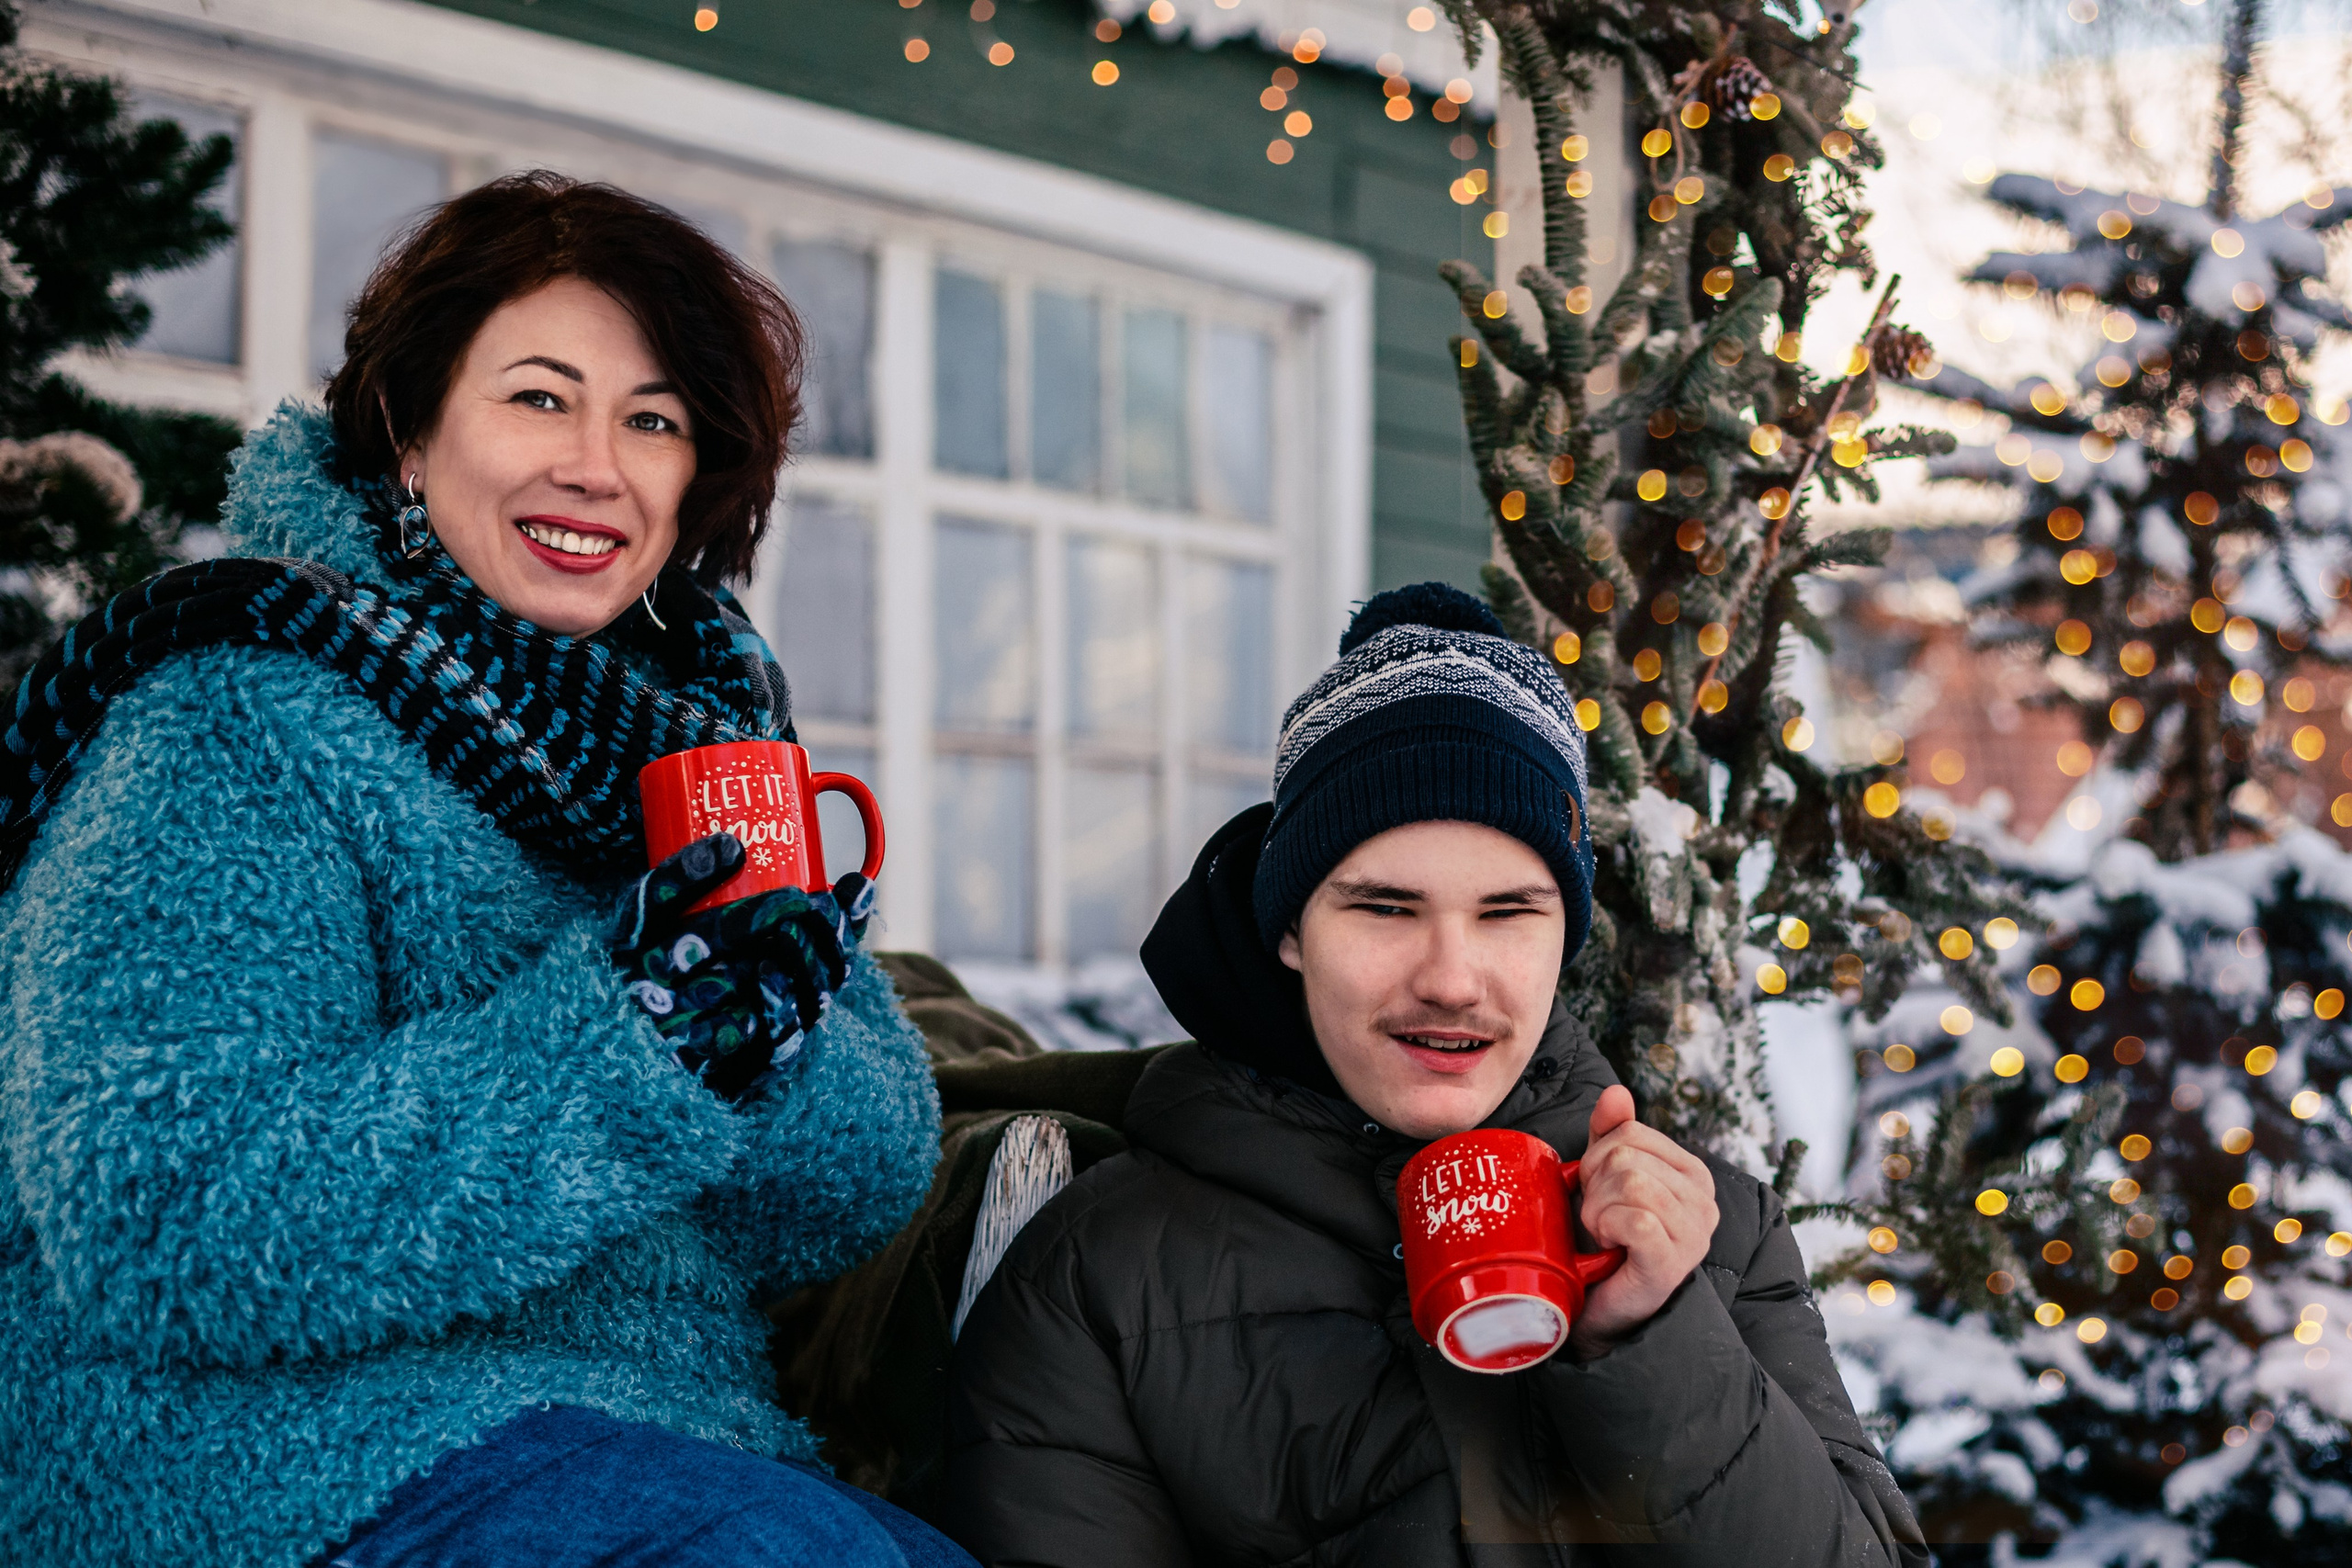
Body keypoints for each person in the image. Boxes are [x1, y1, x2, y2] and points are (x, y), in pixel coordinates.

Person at [0, 174, 970, 1568]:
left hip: (636, 1423)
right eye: (539, 396)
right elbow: (163, 1214)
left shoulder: (698, 741)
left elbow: (840, 1198)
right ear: (407, 425)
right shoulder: (235, 716)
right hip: (258, 1449)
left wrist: (766, 1023)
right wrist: (626, 1045)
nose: (598, 462)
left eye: (653, 419)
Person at [943, 582, 1928, 1565]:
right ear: (1289, 930)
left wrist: (1652, 1337)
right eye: (1383, 909)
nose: (1451, 980)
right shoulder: (1101, 1271)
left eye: (1508, 913)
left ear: (1563, 939)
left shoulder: (1713, 1233)